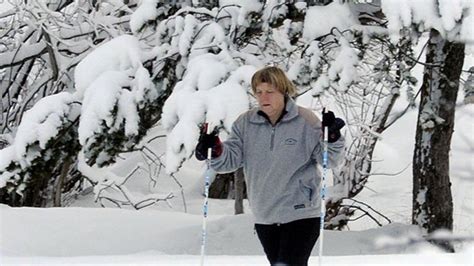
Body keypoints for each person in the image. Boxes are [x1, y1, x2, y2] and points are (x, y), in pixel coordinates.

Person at [195, 66, 345, 266]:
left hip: (301, 212)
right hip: (265, 214)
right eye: (259, 92)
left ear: (283, 91)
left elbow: (330, 159)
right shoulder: (245, 123)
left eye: (270, 91)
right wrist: (215, 149)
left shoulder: (304, 120)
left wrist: (333, 138)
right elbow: (228, 161)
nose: (263, 97)